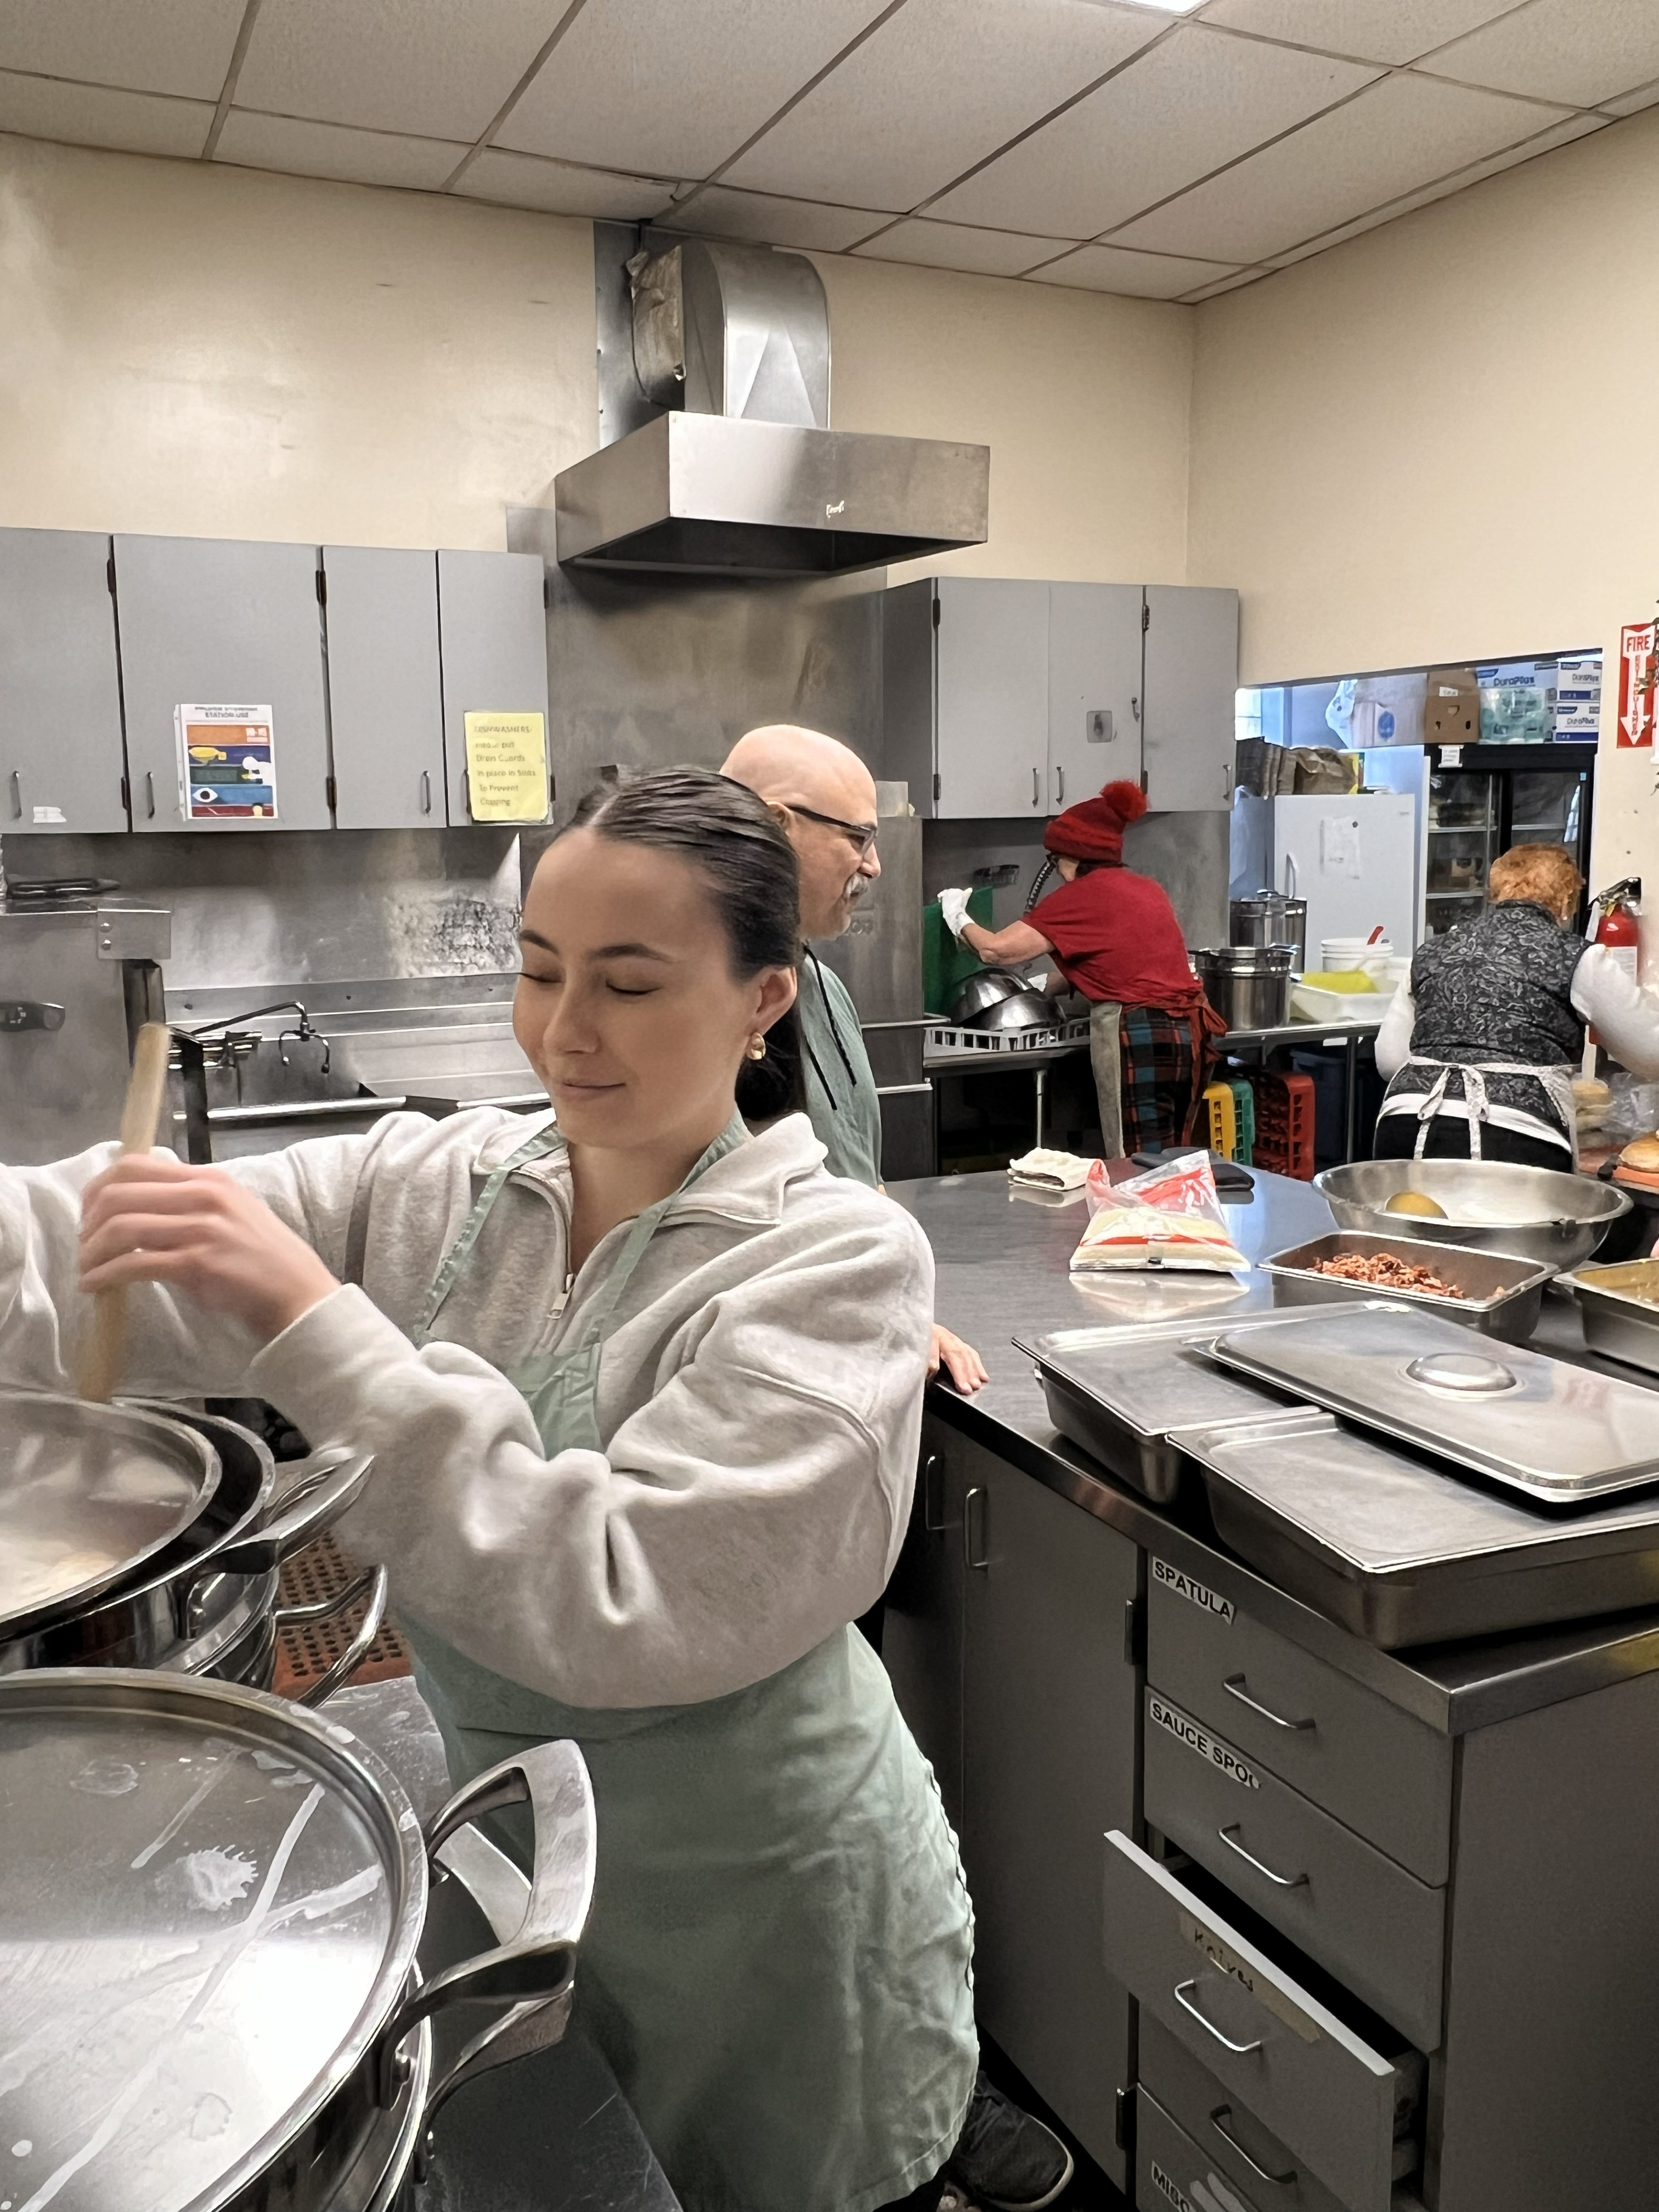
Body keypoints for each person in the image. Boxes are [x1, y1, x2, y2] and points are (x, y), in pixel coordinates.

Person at [0, 769, 979, 2212]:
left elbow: (616, 1599)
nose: (565, 1031)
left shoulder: (833, 1267)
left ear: (764, 998)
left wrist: (312, 1329)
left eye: (630, 985)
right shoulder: (442, 1184)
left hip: (775, 1910)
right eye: (538, 970)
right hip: (541, 1867)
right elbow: (64, 1236)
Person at [722, 724, 986, 1397]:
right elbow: (742, 1222)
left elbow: (856, 1177)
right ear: (778, 827)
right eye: (858, 839)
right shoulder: (713, 1002)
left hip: (858, 1336)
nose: (873, 866)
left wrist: (903, 1305)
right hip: (775, 1364)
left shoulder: (824, 985)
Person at [939, 778, 1220, 1157]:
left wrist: (956, 916)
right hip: (1188, 1035)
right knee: (1172, 1156)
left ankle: (1137, 1216)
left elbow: (996, 951)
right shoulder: (1145, 888)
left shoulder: (1082, 897)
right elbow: (1114, 961)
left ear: (1074, 855)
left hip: (1137, 1033)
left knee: (1135, 1162)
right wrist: (1044, 986)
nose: (1055, 869)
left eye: (1056, 859)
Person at [1374, 842, 1659, 1164]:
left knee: (1410, 1215)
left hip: (1406, 1122)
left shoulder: (1432, 951)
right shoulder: (1575, 955)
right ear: (1566, 902)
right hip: (1511, 1134)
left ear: (1495, 893)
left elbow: (1389, 1059)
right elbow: (1650, 1052)